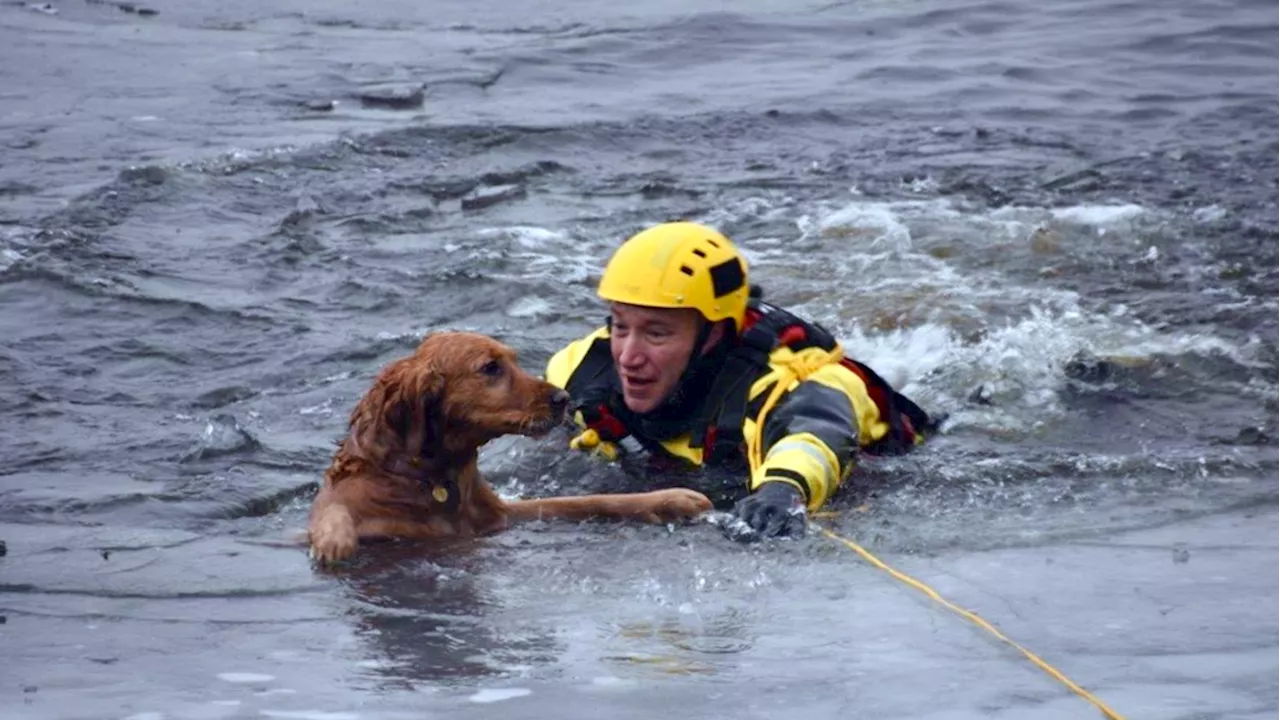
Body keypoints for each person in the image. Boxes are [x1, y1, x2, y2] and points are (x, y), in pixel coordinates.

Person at [544, 221, 940, 540]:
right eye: (620, 326)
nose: (628, 356)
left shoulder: (799, 382)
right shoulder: (577, 370)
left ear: (714, 333)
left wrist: (783, 490)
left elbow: (814, 436)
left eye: (657, 334)